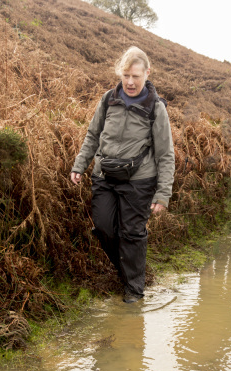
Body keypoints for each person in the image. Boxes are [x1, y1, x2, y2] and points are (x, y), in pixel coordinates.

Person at [70, 46, 175, 303]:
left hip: (139, 181)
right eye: (125, 75)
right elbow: (93, 136)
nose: (129, 82)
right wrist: (79, 165)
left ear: (147, 74)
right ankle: (126, 274)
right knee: (104, 227)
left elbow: (165, 153)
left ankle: (134, 292)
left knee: (132, 234)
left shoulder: (155, 109)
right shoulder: (108, 99)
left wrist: (162, 194)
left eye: (135, 76)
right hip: (104, 176)